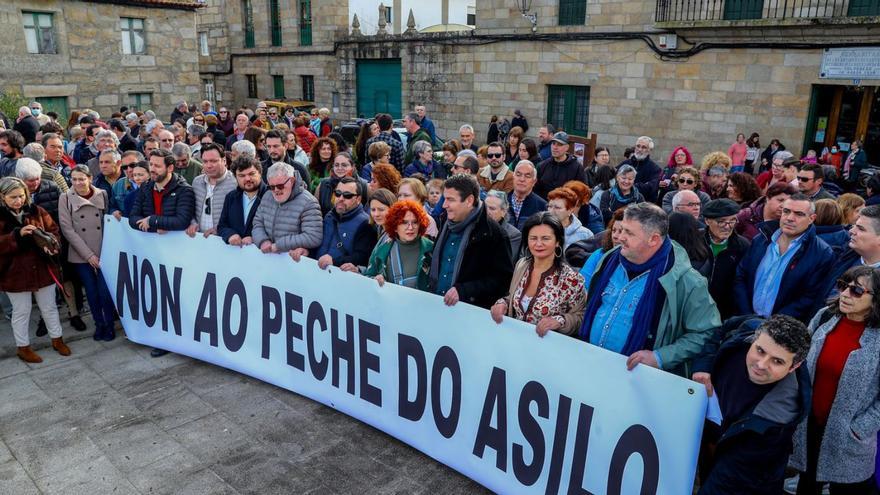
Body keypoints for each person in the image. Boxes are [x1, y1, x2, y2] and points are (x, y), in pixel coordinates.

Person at [578, 202, 720, 377]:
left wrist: (660, 357)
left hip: (639, 382)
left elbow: (706, 332)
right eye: (621, 229)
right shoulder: (609, 259)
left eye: (629, 233)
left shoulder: (687, 281)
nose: (620, 237)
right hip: (589, 368)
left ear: (653, 239)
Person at [692, 315, 811, 495]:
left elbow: (727, 481)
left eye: (777, 361)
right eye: (760, 351)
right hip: (713, 439)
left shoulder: (777, 419)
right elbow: (721, 330)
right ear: (754, 338)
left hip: (747, 479)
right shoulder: (748, 327)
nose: (761, 364)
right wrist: (703, 366)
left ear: (794, 367)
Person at [791, 265, 880, 494]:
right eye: (843, 286)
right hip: (808, 427)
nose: (845, 295)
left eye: (857, 291)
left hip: (848, 439)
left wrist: (859, 428)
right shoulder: (825, 316)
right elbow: (799, 358)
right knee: (807, 486)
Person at [0, 176, 70, 363]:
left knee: (49, 307)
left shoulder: (36, 210)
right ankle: (23, 348)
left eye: (21, 196)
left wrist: (51, 244)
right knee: (21, 312)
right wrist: (17, 235)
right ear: (2, 196)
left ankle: (57, 340)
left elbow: (54, 231)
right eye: (13, 197)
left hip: (42, 268)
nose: (18, 200)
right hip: (14, 274)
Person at [733, 194, 835, 322]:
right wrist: (746, 315)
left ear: (811, 218)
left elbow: (809, 297)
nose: (790, 218)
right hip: (744, 321)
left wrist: (772, 324)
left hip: (779, 331)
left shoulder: (822, 253)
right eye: (786, 211)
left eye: (799, 214)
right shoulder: (761, 239)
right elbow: (741, 276)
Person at [491, 211, 587, 335]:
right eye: (533, 238)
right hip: (514, 341)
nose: (538, 244)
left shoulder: (571, 279)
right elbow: (514, 297)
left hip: (546, 348)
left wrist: (560, 321)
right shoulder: (522, 265)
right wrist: (503, 303)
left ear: (558, 241)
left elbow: (580, 317)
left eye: (545, 238)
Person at [428, 174, 513, 308]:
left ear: (469, 201)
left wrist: (464, 290)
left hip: (469, 314)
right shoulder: (445, 221)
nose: (444, 205)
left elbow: (502, 281)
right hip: (436, 306)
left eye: (450, 199)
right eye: (445, 198)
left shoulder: (494, 234)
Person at [58, 165, 116, 341]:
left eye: (81, 179)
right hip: (81, 255)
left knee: (105, 292)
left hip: (103, 252)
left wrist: (103, 253)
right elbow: (67, 230)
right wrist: (89, 256)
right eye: (74, 179)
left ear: (90, 178)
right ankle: (99, 325)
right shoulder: (65, 197)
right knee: (91, 292)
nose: (77, 183)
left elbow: (109, 224)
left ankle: (110, 325)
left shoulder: (102, 194)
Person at [251, 162, 323, 258]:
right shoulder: (267, 196)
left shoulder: (308, 202)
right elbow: (257, 223)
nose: (276, 190)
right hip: (267, 259)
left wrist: (279, 245)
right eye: (271, 187)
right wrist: (263, 241)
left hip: (292, 263)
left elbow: (313, 236)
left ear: (292, 181)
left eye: (280, 186)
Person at [363, 199, 434, 290]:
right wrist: (374, 280)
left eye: (415, 222)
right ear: (395, 227)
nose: (410, 227)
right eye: (404, 222)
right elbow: (368, 276)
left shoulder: (431, 248)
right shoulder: (382, 249)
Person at [312, 176, 376, 269]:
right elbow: (317, 243)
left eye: (347, 195)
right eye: (337, 194)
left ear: (358, 199)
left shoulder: (366, 224)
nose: (341, 198)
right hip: (316, 271)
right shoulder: (329, 216)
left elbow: (362, 257)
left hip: (342, 277)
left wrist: (334, 262)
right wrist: (306, 250)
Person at [701, 199, 751, 320]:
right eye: (721, 222)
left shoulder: (742, 246)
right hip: (695, 306)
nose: (727, 227)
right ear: (707, 221)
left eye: (732, 221)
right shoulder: (695, 241)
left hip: (725, 312)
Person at [129, 149, 196, 234]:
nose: (152, 169)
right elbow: (132, 218)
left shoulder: (184, 190)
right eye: (151, 164)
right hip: (149, 242)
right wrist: (155, 229)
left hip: (177, 243)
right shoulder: (145, 186)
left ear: (170, 168)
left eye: (157, 166)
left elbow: (182, 222)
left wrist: (152, 220)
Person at [186, 143, 236, 238]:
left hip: (223, 240)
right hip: (198, 238)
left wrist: (221, 229)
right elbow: (190, 208)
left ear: (224, 161)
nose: (209, 165)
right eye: (205, 161)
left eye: (213, 161)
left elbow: (238, 216)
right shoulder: (197, 182)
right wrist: (192, 222)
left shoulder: (235, 183)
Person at [217, 156, 268, 246]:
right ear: (235, 177)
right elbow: (222, 226)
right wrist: (230, 234)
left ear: (260, 173)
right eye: (242, 175)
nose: (247, 179)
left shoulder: (271, 196)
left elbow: (278, 229)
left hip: (265, 255)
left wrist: (256, 238)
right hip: (236, 255)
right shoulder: (231, 197)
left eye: (251, 174)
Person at [576, 208, 625, 280]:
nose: (615, 236)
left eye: (621, 231)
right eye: (613, 230)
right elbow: (582, 286)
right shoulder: (599, 255)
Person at [535, 132, 587, 199]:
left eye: (559, 145)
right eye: (553, 144)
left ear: (567, 147)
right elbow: (536, 190)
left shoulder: (577, 168)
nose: (555, 147)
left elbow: (582, 192)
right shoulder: (542, 166)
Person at [314, 152, 367, 216]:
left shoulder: (363, 185)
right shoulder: (323, 184)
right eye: (336, 165)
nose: (340, 168)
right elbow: (315, 210)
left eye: (344, 165)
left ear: (352, 167)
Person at [620, 136, 662, 203]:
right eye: (638, 146)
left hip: (642, 206)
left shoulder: (655, 169)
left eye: (644, 147)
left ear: (649, 150)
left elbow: (650, 188)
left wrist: (627, 185)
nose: (639, 149)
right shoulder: (625, 164)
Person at [507, 160, 547, 231]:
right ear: (513, 177)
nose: (522, 179)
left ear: (534, 181)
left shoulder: (542, 206)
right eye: (518, 175)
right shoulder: (502, 201)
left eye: (527, 176)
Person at [485, 190, 522, 260]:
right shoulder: (474, 227)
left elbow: (507, 260)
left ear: (503, 211)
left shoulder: (513, 235)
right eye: (484, 207)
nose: (487, 212)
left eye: (492, 208)